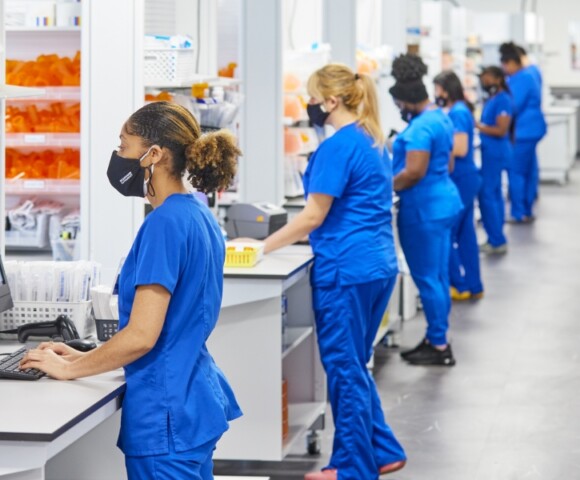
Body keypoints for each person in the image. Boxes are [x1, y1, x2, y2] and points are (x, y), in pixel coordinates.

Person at [20, 101, 243, 480]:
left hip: (165, 413)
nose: (118, 156)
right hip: (193, 398)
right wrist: (79, 356)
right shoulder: (197, 214)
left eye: (124, 146)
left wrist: (67, 370)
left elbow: (142, 336)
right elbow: (173, 324)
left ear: (153, 155)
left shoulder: (164, 224)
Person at [257, 63, 407, 480]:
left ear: (331, 101)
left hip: (346, 271)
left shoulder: (337, 146)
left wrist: (259, 248)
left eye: (312, 97)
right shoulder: (373, 139)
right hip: (377, 264)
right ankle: (381, 449)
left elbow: (312, 216)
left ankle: (353, 469)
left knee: (343, 369)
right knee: (355, 365)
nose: (309, 105)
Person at [389, 54, 462, 366]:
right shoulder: (441, 118)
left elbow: (414, 171)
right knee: (440, 275)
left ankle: (439, 345)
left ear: (406, 101)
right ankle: (437, 335)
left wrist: (386, 185)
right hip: (445, 202)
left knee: (427, 278)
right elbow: (448, 162)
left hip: (424, 211)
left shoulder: (419, 129)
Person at [433, 70, 483, 301]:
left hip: (461, 178)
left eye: (438, 89)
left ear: (447, 89)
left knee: (448, 233)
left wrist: (432, 147)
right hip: (466, 178)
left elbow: (460, 148)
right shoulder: (458, 111)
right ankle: (473, 284)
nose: (436, 94)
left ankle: (459, 285)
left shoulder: (459, 112)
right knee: (465, 235)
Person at [499, 42, 547, 223]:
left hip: (524, 132)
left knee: (517, 171)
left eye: (505, 65)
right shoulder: (530, 73)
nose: (504, 69)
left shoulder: (522, 78)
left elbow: (513, 105)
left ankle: (519, 212)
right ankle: (527, 208)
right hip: (531, 130)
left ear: (512, 62)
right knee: (529, 169)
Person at [476, 66, 514, 254]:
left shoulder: (503, 100)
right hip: (490, 152)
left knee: (488, 195)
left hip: (496, 152)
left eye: (488, 79)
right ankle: (495, 237)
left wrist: (477, 126)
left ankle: (497, 240)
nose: (485, 83)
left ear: (498, 79)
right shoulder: (492, 99)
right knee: (493, 193)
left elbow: (501, 130)